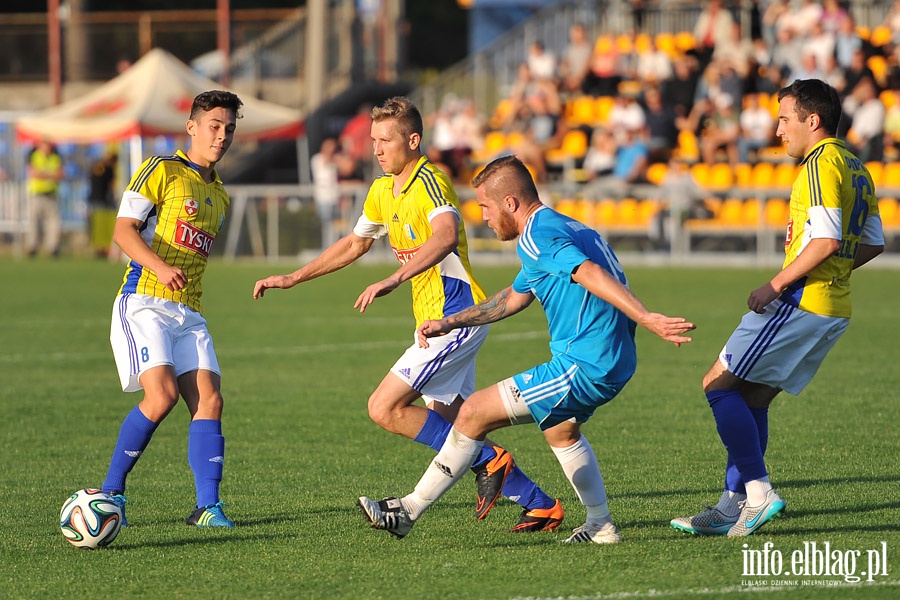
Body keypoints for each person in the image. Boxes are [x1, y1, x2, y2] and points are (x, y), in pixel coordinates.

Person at [253, 97, 564, 532]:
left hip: (454, 314)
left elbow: (446, 234)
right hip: (433, 320)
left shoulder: (430, 180)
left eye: (386, 140)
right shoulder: (382, 190)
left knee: (384, 407)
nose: (376, 149)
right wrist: (293, 277)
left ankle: (486, 460)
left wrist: (394, 278)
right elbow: (354, 243)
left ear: (413, 141)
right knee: (455, 423)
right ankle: (540, 503)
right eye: (373, 140)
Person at [357, 154, 695, 543]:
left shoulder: (538, 238)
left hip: (584, 363)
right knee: (561, 432)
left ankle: (408, 510)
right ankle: (600, 526)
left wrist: (647, 316)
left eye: (484, 206)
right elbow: (513, 298)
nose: (482, 216)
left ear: (510, 203)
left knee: (472, 413)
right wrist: (449, 322)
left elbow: (589, 272)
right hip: (612, 359)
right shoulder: (561, 226)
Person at [670, 79, 884, 538]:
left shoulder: (819, 165)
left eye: (785, 118)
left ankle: (759, 492)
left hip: (801, 300)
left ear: (813, 120)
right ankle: (733, 503)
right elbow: (872, 243)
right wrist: (835, 273)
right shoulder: (855, 165)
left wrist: (778, 282)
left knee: (716, 385)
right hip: (832, 306)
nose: (778, 129)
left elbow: (826, 240)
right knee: (753, 398)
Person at [100, 90, 244, 528]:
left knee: (210, 401)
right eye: (215, 127)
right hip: (144, 300)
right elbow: (122, 231)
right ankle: (111, 495)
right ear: (192, 127)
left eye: (230, 129)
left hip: (189, 311)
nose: (222, 136)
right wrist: (160, 268)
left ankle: (208, 508)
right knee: (160, 397)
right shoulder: (161, 170)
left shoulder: (220, 195)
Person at [25, 140, 63, 257]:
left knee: (54, 223)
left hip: (51, 194)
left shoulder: (55, 158)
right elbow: (33, 173)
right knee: (33, 222)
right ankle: (32, 247)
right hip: (37, 194)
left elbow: (59, 174)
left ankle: (53, 248)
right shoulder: (34, 156)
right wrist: (50, 174)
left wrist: (44, 174)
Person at [88, 151, 119, 259]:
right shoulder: (109, 169)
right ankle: (104, 249)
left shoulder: (96, 166)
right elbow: (112, 185)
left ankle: (100, 248)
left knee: (98, 227)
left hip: (95, 200)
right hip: (104, 201)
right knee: (104, 226)